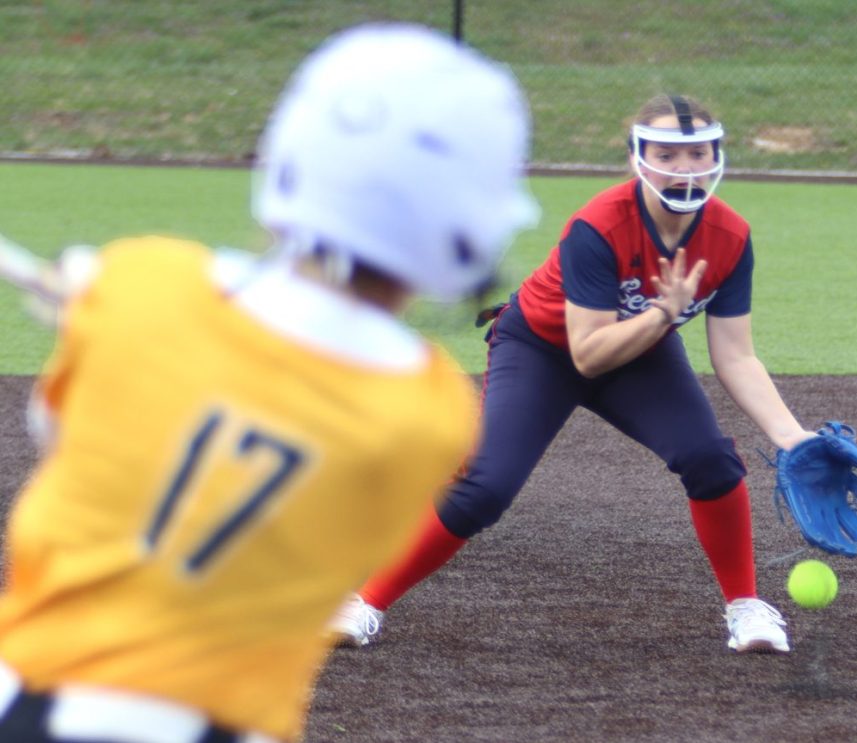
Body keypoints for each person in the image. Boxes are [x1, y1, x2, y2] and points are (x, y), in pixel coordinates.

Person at [0, 23, 537, 743]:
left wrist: (106, 309)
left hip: (26, 700)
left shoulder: (145, 280)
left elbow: (61, 439)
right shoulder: (434, 406)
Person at [331, 93, 818, 655]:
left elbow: (735, 355)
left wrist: (792, 437)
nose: (685, 168)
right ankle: (364, 603)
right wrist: (662, 313)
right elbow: (587, 354)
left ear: (717, 157)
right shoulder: (601, 224)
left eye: (698, 153)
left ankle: (746, 606)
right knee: (485, 489)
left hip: (641, 350)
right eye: (667, 154)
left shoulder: (729, 236)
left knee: (711, 460)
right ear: (637, 158)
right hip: (542, 349)